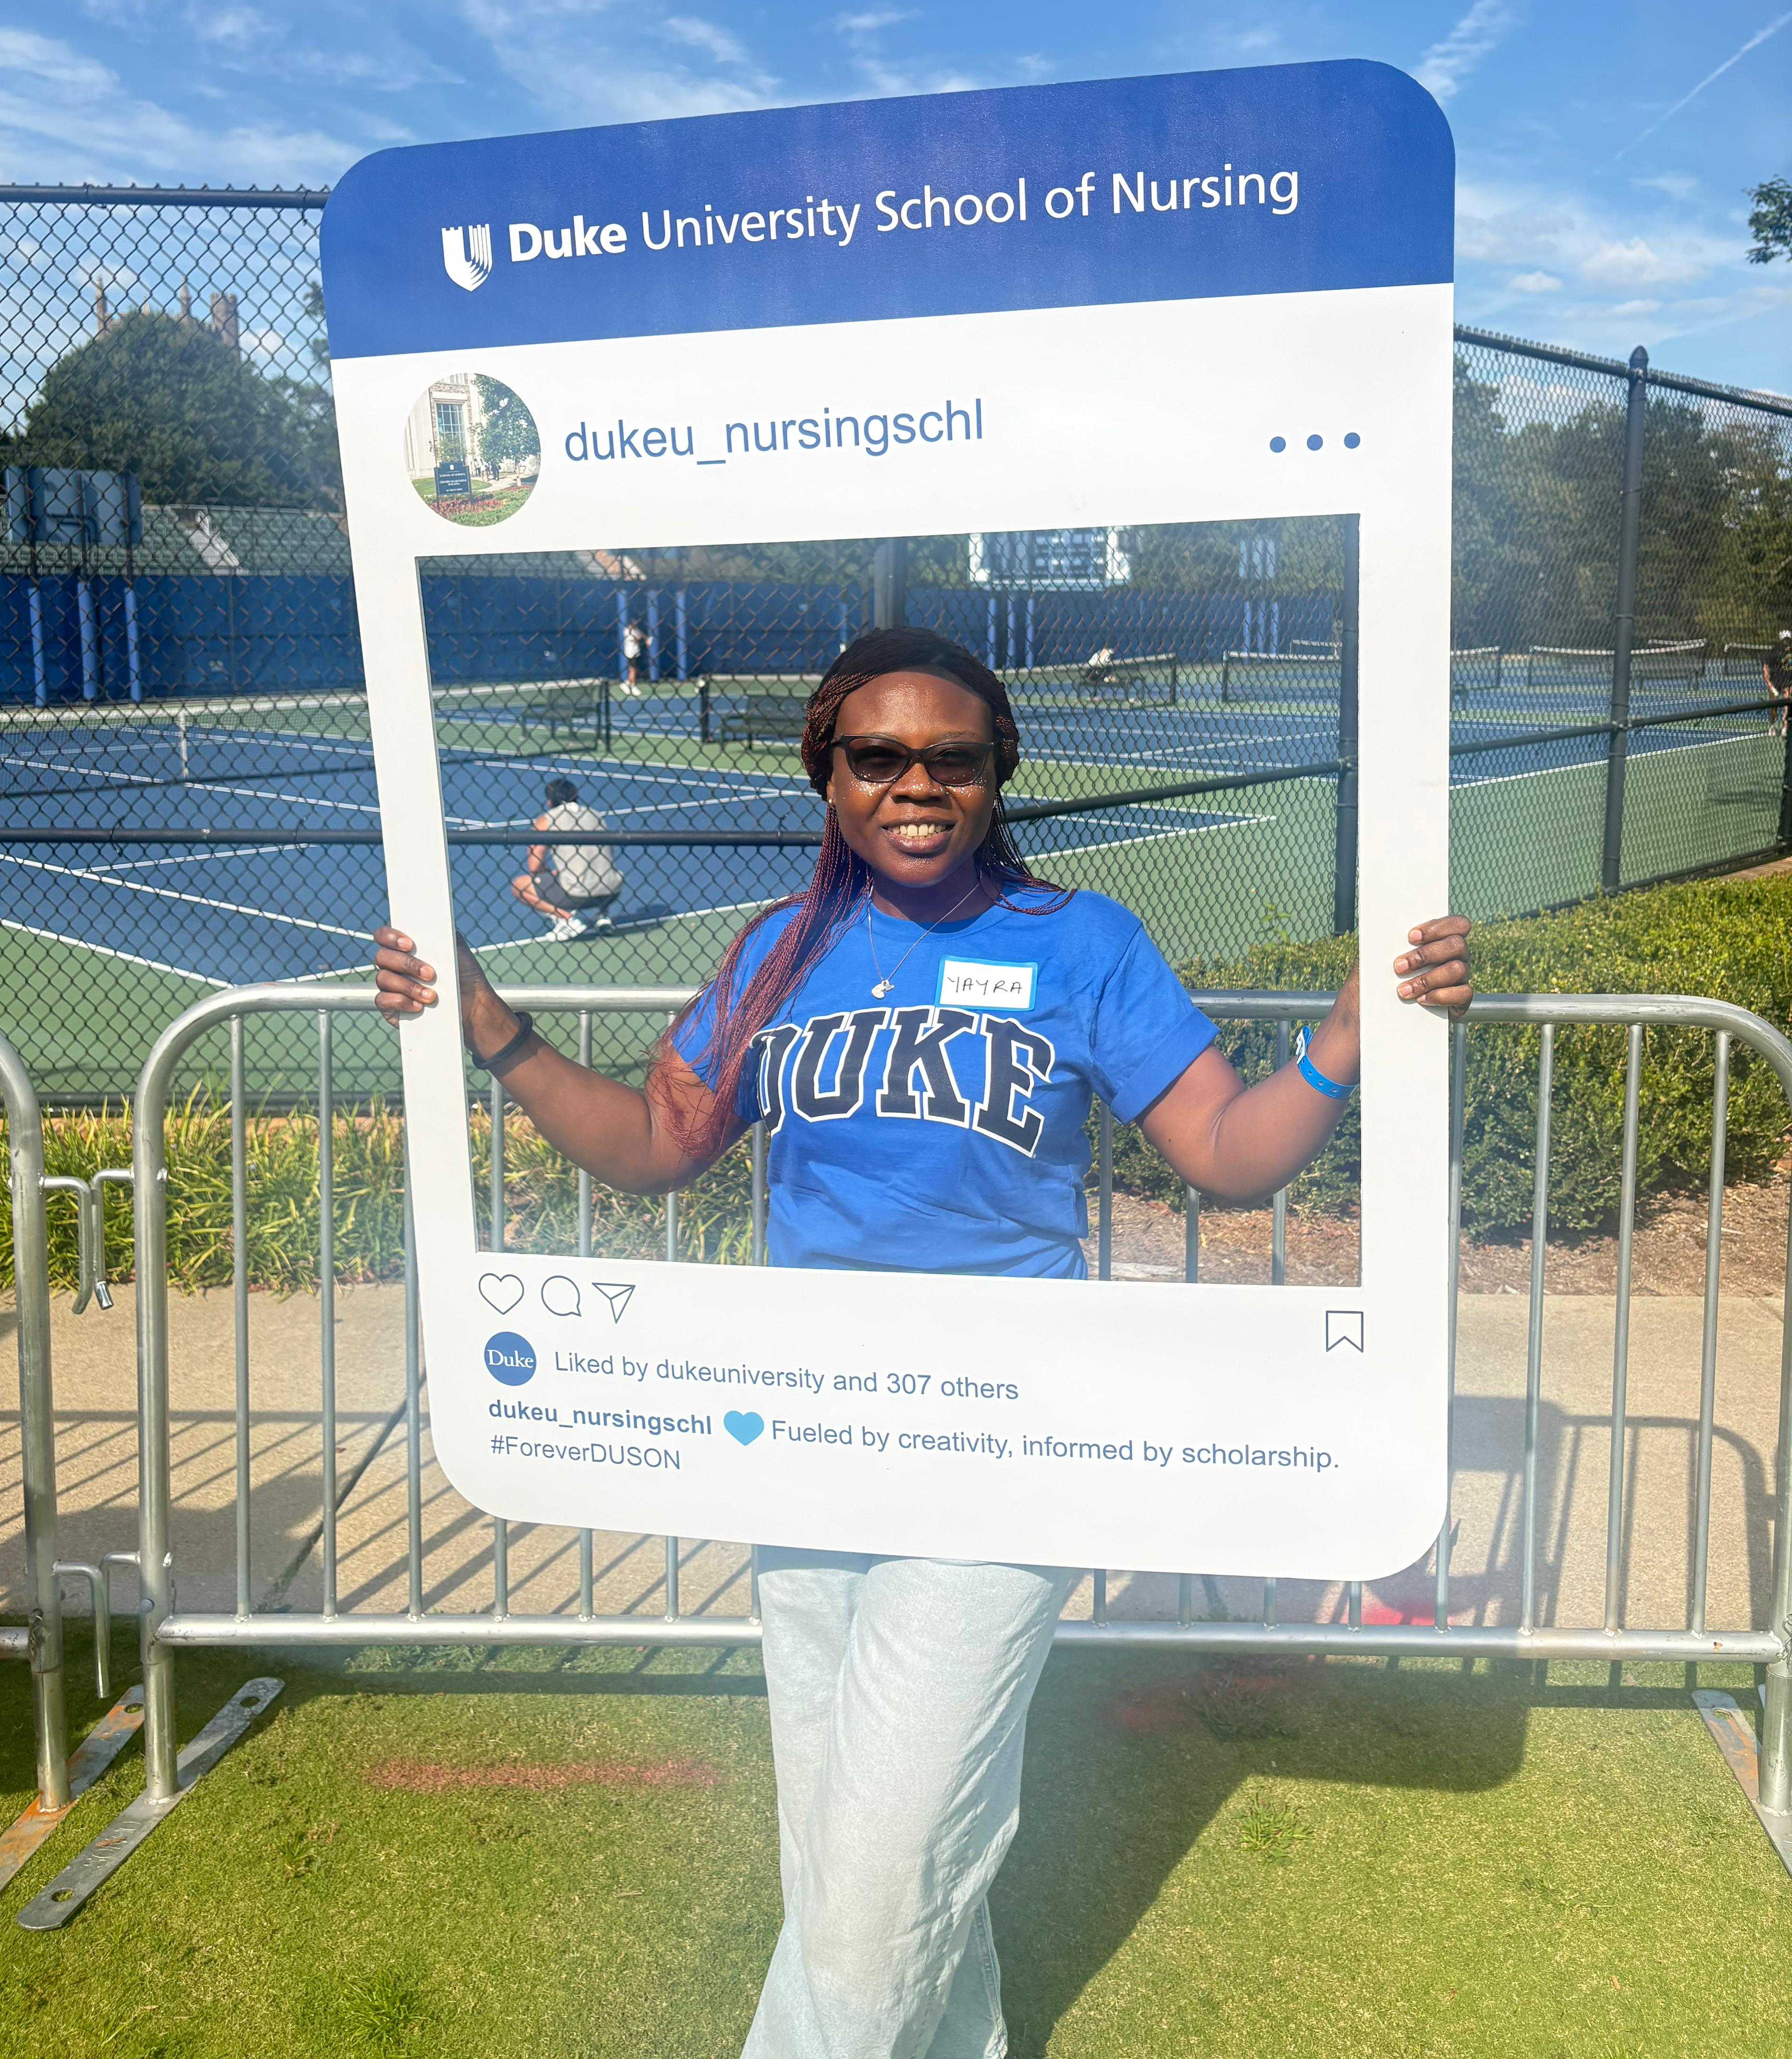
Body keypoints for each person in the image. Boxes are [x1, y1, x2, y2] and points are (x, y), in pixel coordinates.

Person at [373, 626, 1471, 2059]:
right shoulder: (779, 948)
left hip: (1001, 1452)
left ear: (994, 773)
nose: (914, 782)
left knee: (881, 1865)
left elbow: (1222, 1151)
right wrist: (490, 1022)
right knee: (845, 1834)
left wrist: (1345, 1034)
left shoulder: (1082, 941)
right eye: (875, 754)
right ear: (826, 775)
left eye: (949, 756)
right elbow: (654, 1144)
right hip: (807, 1448)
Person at [508, 778, 622, 940]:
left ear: (549, 802)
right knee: (598, 865)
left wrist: (549, 875)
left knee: (519, 885)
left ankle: (567, 920)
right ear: (575, 796)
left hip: (577, 894)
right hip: (612, 890)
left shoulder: (546, 820)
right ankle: (603, 916)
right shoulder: (596, 815)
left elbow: (534, 867)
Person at [1764, 631, 1792, 737]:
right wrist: (1769, 684)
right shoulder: (1774, 652)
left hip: (1787, 683)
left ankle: (1785, 728)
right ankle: (1772, 726)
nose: (1787, 642)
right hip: (1775, 683)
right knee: (1773, 708)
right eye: (1785, 640)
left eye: (1788, 639)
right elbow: (1766, 667)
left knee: (1787, 706)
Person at [620, 612, 647, 694]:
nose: (635, 624)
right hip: (630, 653)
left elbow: (642, 635)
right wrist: (640, 638)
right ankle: (631, 685)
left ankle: (628, 684)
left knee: (634, 670)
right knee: (633, 670)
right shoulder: (627, 630)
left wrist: (646, 639)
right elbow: (634, 639)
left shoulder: (636, 630)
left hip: (636, 653)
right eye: (634, 622)